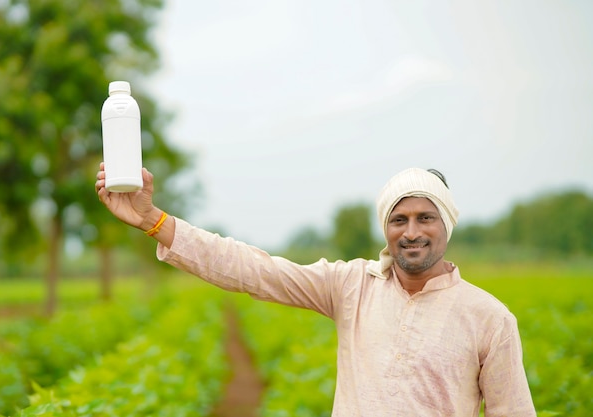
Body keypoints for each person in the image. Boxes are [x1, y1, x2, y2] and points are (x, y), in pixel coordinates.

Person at [95, 163, 536, 417]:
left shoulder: (488, 317)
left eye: (426, 217)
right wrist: (154, 220)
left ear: (447, 225)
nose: (412, 231)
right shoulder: (352, 286)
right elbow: (253, 269)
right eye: (399, 220)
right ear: (385, 229)